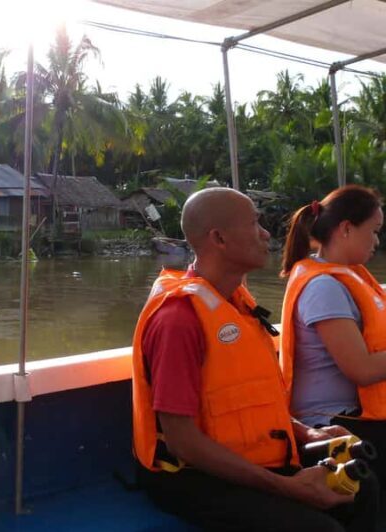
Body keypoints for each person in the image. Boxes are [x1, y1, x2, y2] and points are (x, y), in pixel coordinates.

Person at [132, 187, 380, 531]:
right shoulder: (179, 320)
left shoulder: (237, 305)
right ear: (219, 238)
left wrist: (307, 433)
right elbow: (183, 442)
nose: (266, 234)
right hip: (192, 474)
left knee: (362, 487)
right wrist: (288, 487)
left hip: (252, 453)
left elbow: (248, 405)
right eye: (255, 224)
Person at [280, 185, 386, 484]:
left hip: (359, 414)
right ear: (346, 229)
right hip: (332, 423)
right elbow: (361, 369)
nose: (377, 240)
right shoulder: (323, 287)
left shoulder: (348, 277)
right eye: (374, 230)